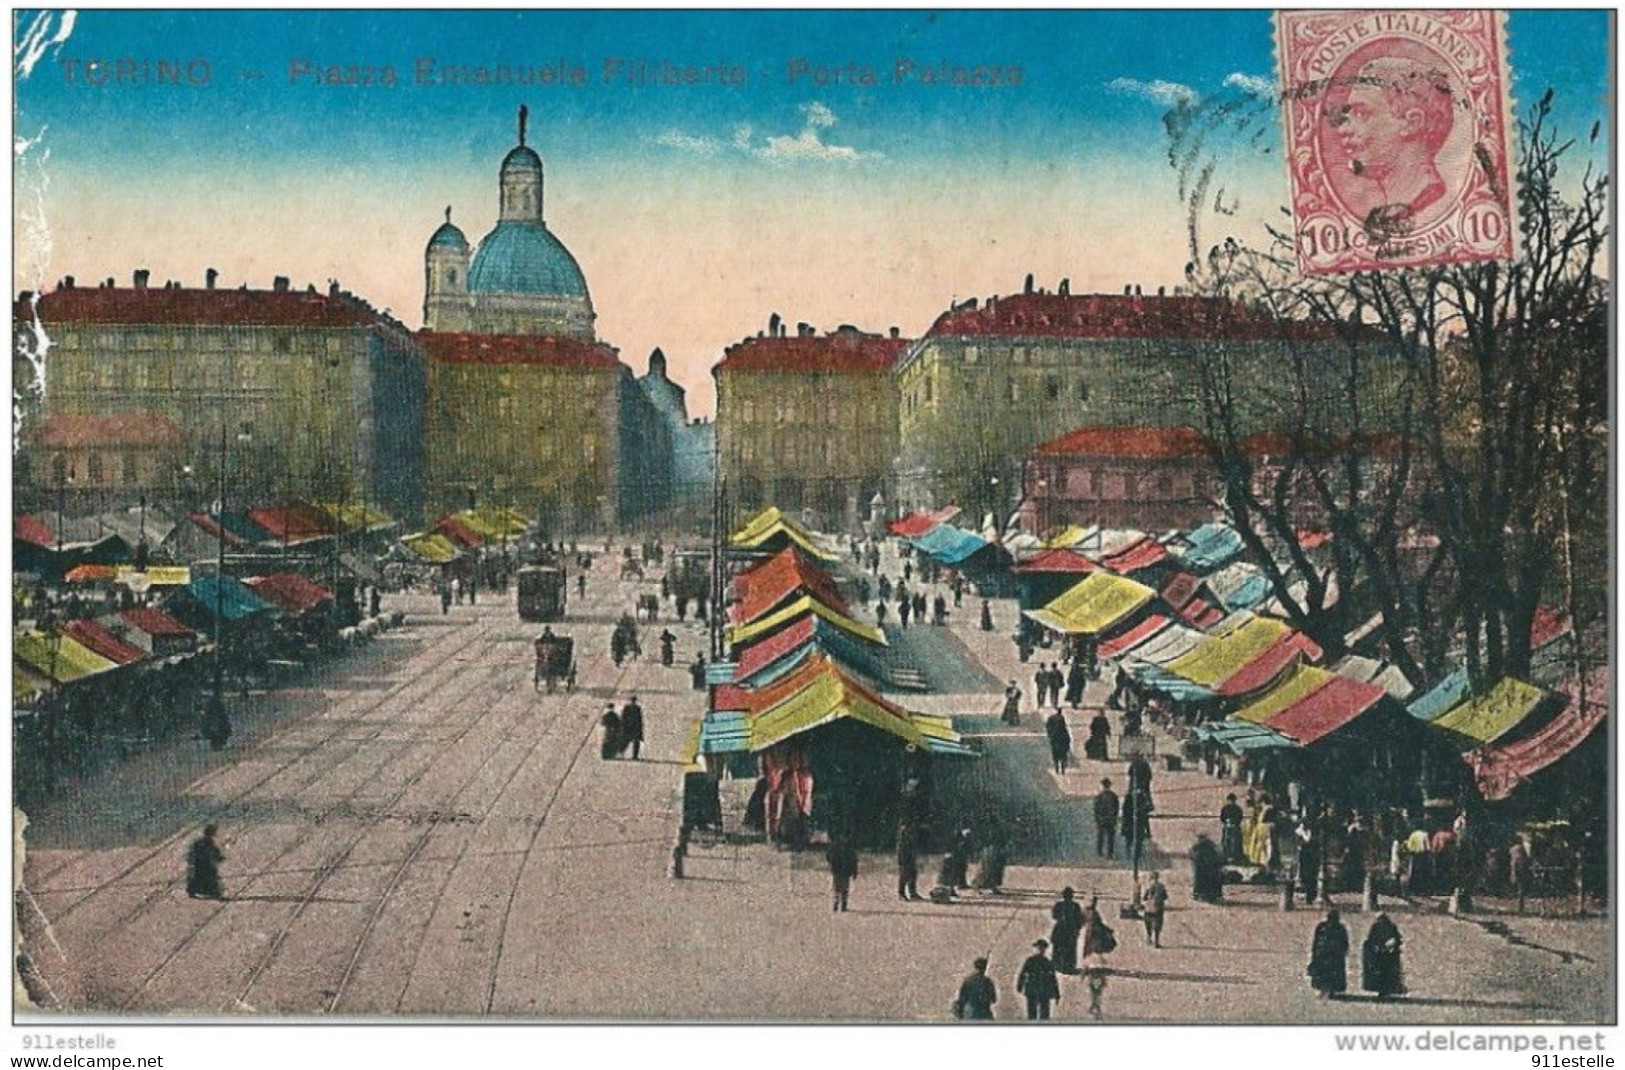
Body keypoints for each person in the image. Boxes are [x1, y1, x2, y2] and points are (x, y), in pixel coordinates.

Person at [1330, 55, 1457, 236]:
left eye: (1361, 113)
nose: (1343, 129)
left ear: (1411, 124)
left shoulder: (1437, 207)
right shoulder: (1392, 210)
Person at [1361, 913, 1406, 999]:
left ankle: (1387, 990)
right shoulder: (1376, 927)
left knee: (1387, 974)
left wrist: (1391, 945)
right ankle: (1382, 990)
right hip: (1380, 955)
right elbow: (1371, 939)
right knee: (1381, 974)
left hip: (1389, 955)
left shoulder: (1390, 927)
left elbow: (1397, 939)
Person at [1308, 908, 1350, 999]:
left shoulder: (1336, 927)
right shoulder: (1327, 926)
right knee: (1325, 973)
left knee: (1328, 974)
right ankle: (1325, 990)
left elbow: (1344, 941)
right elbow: (1316, 939)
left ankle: (1329, 991)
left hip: (1330, 954)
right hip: (1326, 954)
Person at [1016, 939, 1061, 1020]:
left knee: (1044, 1015)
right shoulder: (1030, 961)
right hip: (1032, 989)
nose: (1041, 950)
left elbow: (1053, 978)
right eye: (1039, 948)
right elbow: (1022, 974)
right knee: (1032, 1013)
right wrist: (1020, 985)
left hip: (1044, 990)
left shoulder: (1047, 962)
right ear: (1036, 948)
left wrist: (1057, 993)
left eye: (1042, 948)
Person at [1049, 888, 1085, 975]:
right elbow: (1080, 919)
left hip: (1061, 929)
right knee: (1069, 949)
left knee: (1059, 948)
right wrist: (1077, 928)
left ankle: (1058, 965)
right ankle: (1068, 967)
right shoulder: (1075, 906)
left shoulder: (1059, 905)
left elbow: (1054, 916)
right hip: (1069, 930)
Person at [186, 824, 225, 900]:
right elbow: (193, 853)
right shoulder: (200, 843)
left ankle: (213, 892)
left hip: (206, 863)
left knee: (210, 877)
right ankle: (194, 891)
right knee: (201, 877)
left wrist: (218, 857)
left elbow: (214, 851)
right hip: (200, 863)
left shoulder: (209, 842)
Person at [1190, 833, 1225, 903]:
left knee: (1200, 881)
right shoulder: (1211, 846)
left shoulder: (1197, 847)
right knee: (1207, 881)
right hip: (1208, 868)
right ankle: (1216, 896)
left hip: (1205, 868)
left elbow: (1192, 856)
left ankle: (1199, 895)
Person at [826, 838, 859, 913]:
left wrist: (831, 866)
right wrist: (854, 872)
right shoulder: (850, 850)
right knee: (843, 888)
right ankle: (842, 905)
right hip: (844, 872)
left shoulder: (834, 848)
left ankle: (837, 904)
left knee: (838, 888)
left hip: (839, 871)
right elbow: (854, 862)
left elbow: (828, 857)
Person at [1093, 779, 1120, 859]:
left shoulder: (1099, 796)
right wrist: (1115, 818)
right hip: (1110, 819)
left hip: (1101, 819)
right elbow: (1116, 808)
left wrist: (1097, 819)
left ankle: (1100, 851)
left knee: (1100, 836)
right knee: (1110, 837)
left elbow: (1096, 809)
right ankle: (1110, 853)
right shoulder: (1113, 796)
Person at [1141, 871, 1169, 948]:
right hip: (1159, 907)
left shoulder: (1148, 886)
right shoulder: (1161, 886)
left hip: (1149, 908)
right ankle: (1156, 941)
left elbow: (1144, 897)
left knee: (1148, 923)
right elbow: (1165, 897)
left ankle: (1149, 937)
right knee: (1158, 925)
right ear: (1158, 877)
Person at [896, 823, 921, 901]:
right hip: (905, 861)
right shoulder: (901, 843)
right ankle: (901, 893)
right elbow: (900, 854)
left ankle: (912, 892)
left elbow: (913, 850)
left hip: (911, 860)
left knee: (913, 875)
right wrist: (902, 862)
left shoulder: (910, 841)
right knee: (904, 876)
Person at [1219, 793, 1246, 865]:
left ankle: (1236, 857)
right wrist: (1226, 822)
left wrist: (1235, 823)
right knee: (1226, 842)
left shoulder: (1238, 809)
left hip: (1235, 827)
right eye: (1230, 800)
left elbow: (1240, 817)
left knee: (1235, 842)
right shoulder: (1225, 808)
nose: (1231, 802)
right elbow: (1222, 818)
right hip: (1227, 827)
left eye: (1233, 800)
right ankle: (1226, 856)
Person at [1045, 708, 1072, 774]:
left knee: (1056, 755)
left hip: (1055, 739)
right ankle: (1062, 769)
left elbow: (1048, 727)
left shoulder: (1051, 719)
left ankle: (1057, 768)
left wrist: (1050, 735)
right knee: (1063, 755)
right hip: (1062, 740)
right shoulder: (1063, 730)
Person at [619, 696, 644, 760]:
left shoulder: (628, 707)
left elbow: (623, 717)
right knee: (634, 742)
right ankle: (634, 756)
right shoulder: (637, 708)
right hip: (635, 727)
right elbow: (639, 719)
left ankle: (621, 753)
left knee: (626, 741)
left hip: (629, 726)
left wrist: (623, 725)